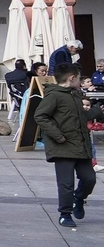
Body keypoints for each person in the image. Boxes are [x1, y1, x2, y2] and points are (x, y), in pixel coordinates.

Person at [36, 64, 97, 229]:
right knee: (66, 183)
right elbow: (40, 116)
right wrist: (57, 135)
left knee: (89, 179)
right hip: (62, 147)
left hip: (80, 145)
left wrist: (97, 112)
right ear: (72, 78)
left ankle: (79, 198)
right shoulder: (54, 95)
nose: (80, 81)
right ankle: (65, 214)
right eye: (79, 78)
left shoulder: (76, 94)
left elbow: (81, 116)